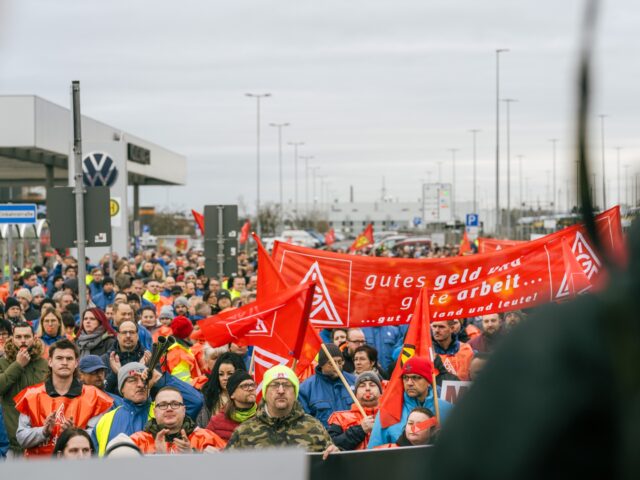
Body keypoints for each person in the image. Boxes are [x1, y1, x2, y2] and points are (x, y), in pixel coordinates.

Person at [14, 339, 113, 456]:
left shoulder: (94, 396)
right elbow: (21, 437)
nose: (65, 362)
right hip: (38, 467)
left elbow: (99, 436)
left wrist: (74, 433)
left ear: (76, 363)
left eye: (69, 359)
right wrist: (44, 431)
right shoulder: (31, 395)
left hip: (77, 467)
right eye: (59, 358)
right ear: (50, 362)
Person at [92, 362, 203, 456]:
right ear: (122, 389)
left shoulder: (163, 410)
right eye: (132, 380)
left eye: (144, 379)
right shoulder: (105, 420)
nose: (141, 384)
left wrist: (160, 379)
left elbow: (196, 401)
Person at [226, 365, 338, 456]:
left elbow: (330, 469)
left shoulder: (314, 427)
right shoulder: (244, 432)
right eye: (274, 385)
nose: (280, 390)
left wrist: (335, 456)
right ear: (265, 392)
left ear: (295, 392)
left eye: (287, 385)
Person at [368, 356, 453, 448]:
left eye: (416, 378)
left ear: (429, 381)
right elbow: (373, 451)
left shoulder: (448, 410)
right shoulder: (389, 411)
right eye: (405, 378)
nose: (409, 383)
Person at [0, 322, 49, 455]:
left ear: (34, 337)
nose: (23, 340)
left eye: (27, 336)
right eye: (19, 336)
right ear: (12, 338)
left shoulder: (43, 363)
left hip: (41, 438)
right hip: (12, 442)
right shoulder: (2, 362)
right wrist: (18, 365)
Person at [130, 387, 225, 454]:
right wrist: (157, 457)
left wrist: (195, 456)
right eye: (163, 405)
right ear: (155, 412)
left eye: (175, 404)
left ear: (184, 410)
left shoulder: (206, 438)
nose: (169, 409)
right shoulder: (137, 441)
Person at [299, 343, 356, 427]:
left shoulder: (354, 381)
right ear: (322, 364)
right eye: (331, 363)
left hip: (353, 436)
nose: (336, 366)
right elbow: (304, 421)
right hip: (323, 438)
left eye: (340, 362)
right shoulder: (306, 388)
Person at [327, 371, 382, 450]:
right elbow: (331, 444)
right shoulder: (339, 418)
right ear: (355, 394)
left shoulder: (392, 416)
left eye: (372, 385)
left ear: (381, 392)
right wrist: (360, 430)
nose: (367, 388)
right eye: (362, 386)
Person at [206, 370, 256, 442]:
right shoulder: (216, 422)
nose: (251, 389)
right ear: (232, 394)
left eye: (252, 385)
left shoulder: (266, 417)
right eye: (245, 386)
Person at [103, 320, 150, 394]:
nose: (128, 336)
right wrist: (115, 374)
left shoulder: (148, 357)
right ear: (118, 336)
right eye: (124, 332)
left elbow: (160, 387)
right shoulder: (106, 359)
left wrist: (148, 371)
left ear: (137, 336)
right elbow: (102, 391)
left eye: (131, 332)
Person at [199, 352, 246, 425]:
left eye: (230, 374)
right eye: (221, 374)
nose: (225, 378)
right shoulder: (208, 397)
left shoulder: (248, 399)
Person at [163, 315, 205, 387]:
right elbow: (183, 383)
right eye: (192, 330)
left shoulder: (174, 347)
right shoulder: (179, 354)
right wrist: (202, 382)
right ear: (187, 334)